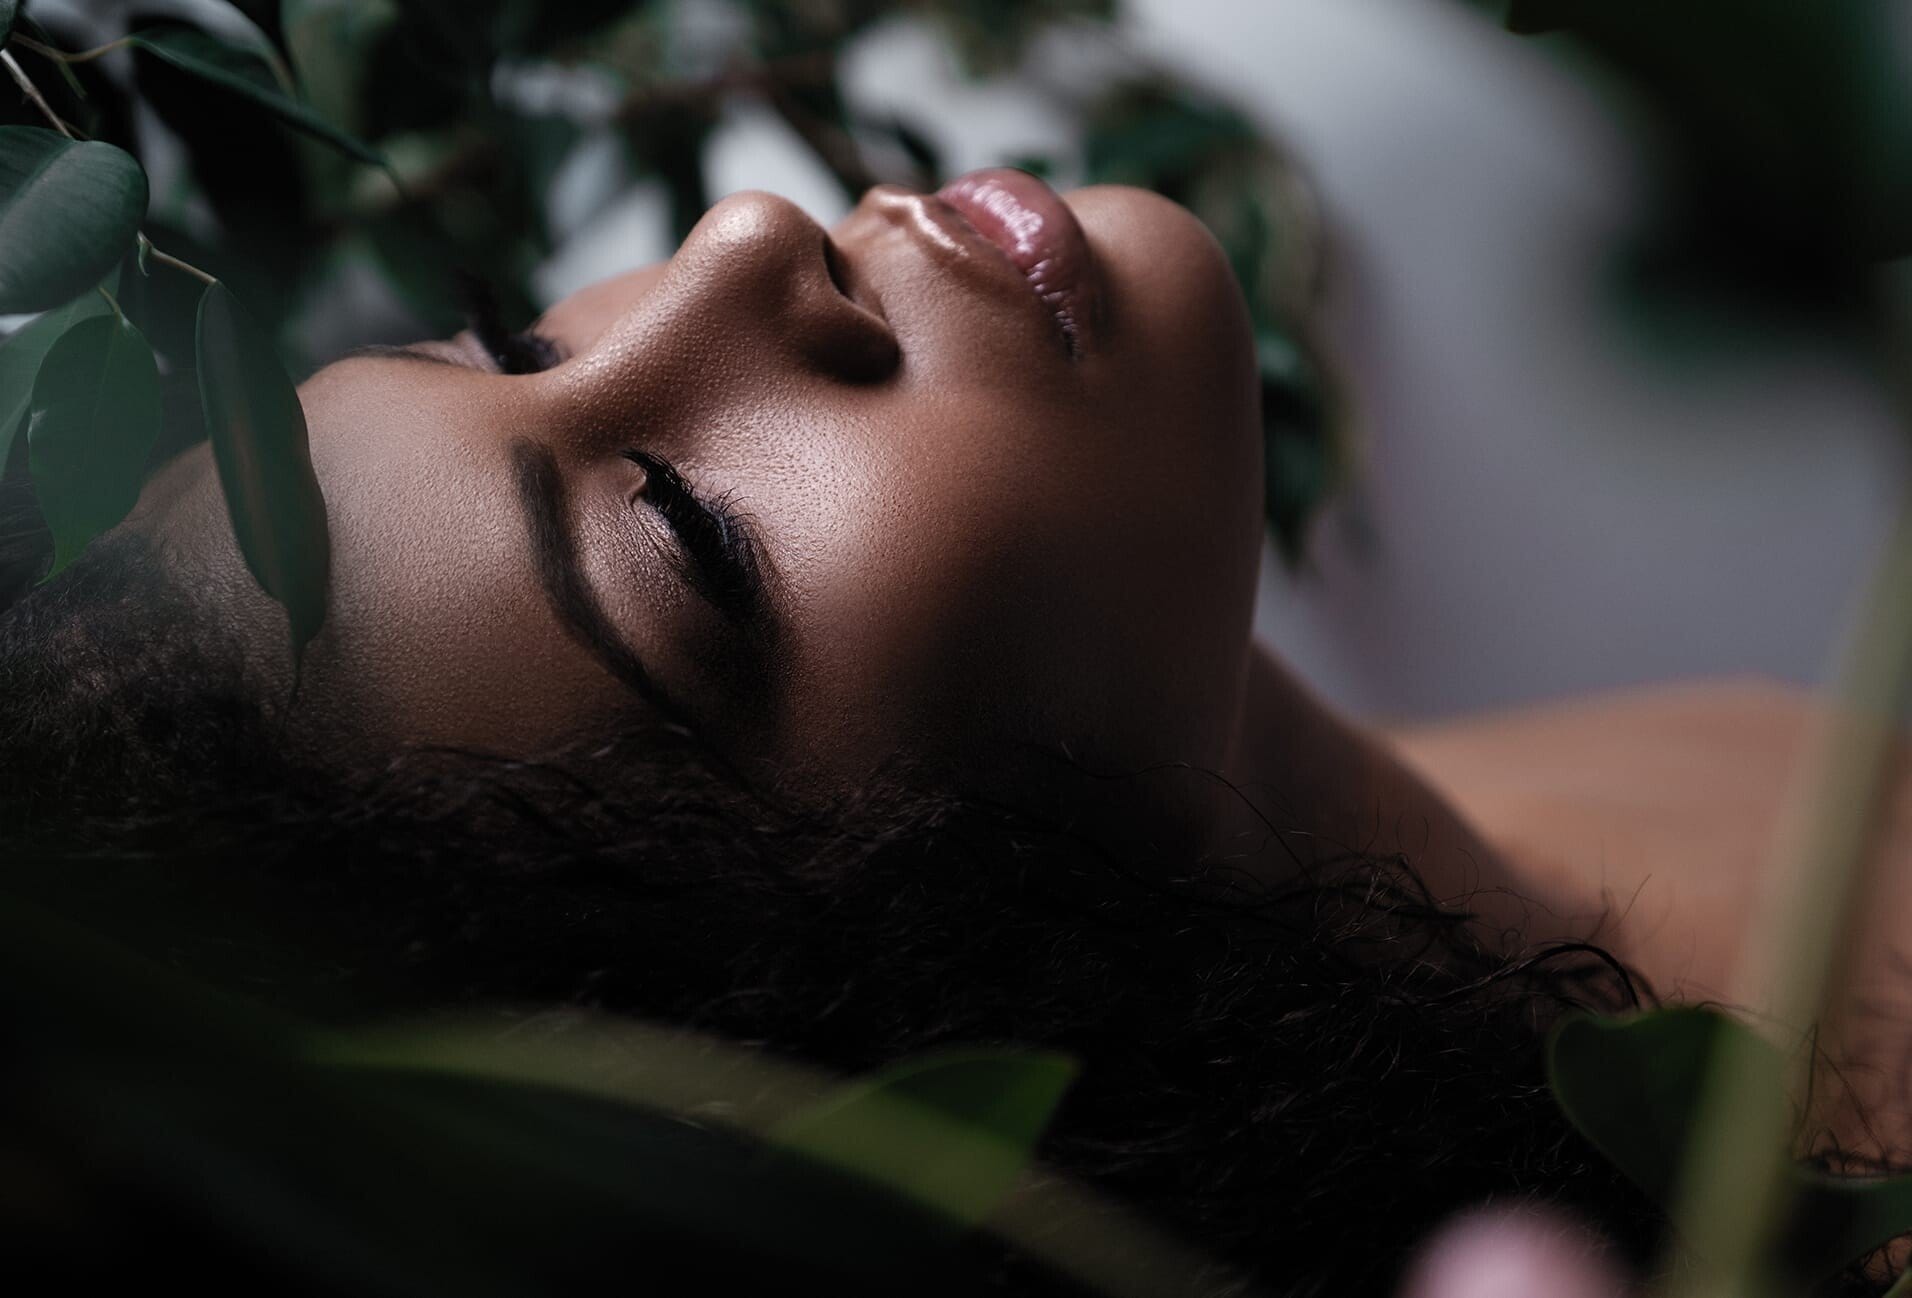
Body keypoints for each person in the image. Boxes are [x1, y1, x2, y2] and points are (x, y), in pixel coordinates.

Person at [0, 169, 1901, 1294]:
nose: (741, 238)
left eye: (517, 351)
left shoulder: (1474, 829)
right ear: (902, 996)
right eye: (688, 529)